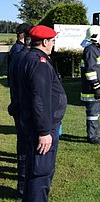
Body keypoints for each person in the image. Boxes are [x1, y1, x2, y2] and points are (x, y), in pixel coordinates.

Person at [17, 25, 67, 201]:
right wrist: (44, 132)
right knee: (41, 173)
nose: (53, 44)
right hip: (43, 128)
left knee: (34, 170)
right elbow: (40, 100)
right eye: (53, 41)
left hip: (33, 123)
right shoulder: (40, 62)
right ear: (45, 42)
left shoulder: (27, 57)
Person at [7, 23, 32, 200]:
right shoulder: (19, 53)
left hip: (19, 104)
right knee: (25, 145)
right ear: (24, 35)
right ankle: (23, 186)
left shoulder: (17, 51)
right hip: (22, 105)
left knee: (23, 143)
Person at [80, 25, 100, 144]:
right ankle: (92, 137)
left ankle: (95, 134)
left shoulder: (94, 49)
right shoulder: (91, 50)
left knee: (95, 114)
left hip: (93, 89)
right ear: (95, 37)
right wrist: (96, 87)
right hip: (92, 91)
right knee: (92, 114)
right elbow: (90, 72)